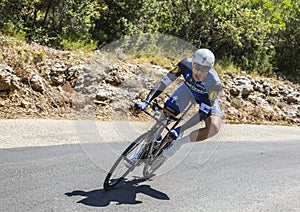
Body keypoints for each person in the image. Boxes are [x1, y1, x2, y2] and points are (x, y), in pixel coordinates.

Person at [125, 48, 222, 168]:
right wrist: (146, 101)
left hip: (206, 98)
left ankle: (178, 143)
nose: (199, 73)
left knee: (214, 128)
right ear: (193, 63)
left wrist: (180, 130)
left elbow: (203, 112)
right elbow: (164, 83)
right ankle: (142, 151)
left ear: (210, 69)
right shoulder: (184, 64)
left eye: (204, 69)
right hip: (188, 90)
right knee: (165, 114)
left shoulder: (215, 83)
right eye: (197, 67)